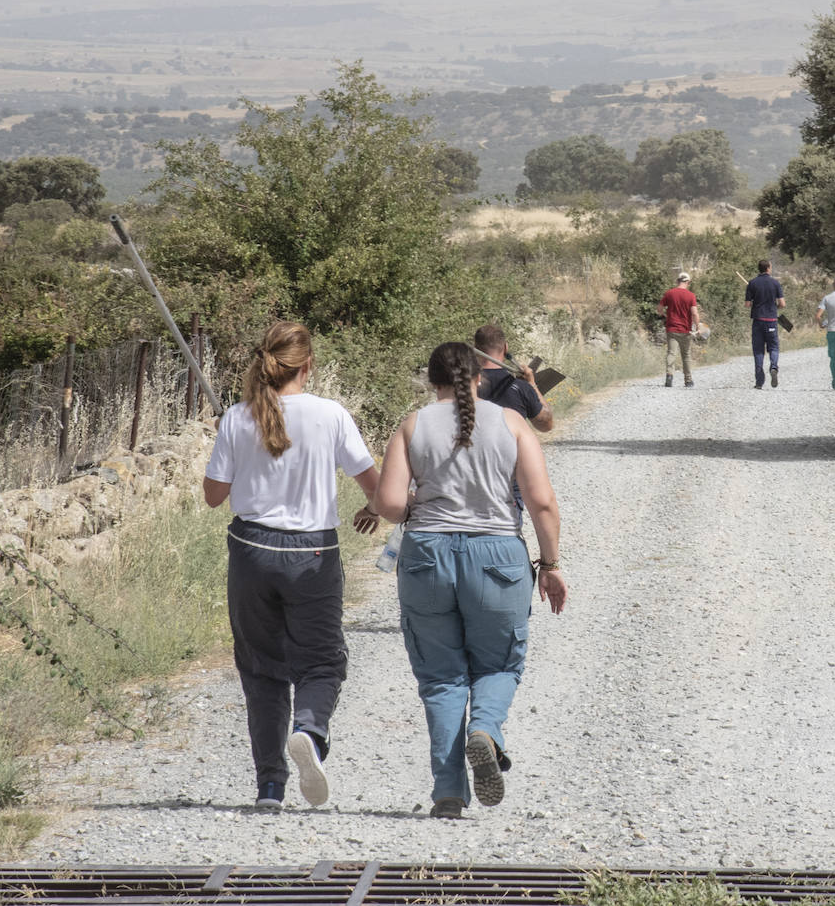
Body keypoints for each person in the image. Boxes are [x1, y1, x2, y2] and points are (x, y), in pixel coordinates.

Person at [377, 342, 568, 820]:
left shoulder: (412, 424)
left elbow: (391, 506)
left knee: (440, 677)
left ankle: (448, 792)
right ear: (480, 377)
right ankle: (485, 730)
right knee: (500, 664)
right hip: (497, 555)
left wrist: (422, 496)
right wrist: (550, 565)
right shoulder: (512, 423)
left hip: (426, 557)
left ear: (430, 379)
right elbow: (541, 502)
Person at [202, 320, 382, 810]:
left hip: (251, 550)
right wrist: (373, 508)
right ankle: (309, 729)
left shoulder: (239, 417)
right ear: (308, 365)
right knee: (322, 660)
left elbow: (214, 496)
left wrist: (231, 441)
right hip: (312, 554)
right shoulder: (331, 415)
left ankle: (270, 788)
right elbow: (376, 488)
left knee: (261, 669)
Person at [474, 324, 554, 433]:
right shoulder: (521, 387)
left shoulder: (462, 385)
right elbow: (546, 425)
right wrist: (532, 384)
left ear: (476, 349)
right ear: (506, 348)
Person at [744, 260, 785, 389]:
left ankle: (759, 381)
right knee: (773, 347)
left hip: (757, 321)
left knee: (758, 350)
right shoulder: (775, 283)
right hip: (771, 320)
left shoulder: (752, 283)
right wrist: (775, 306)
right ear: (768, 268)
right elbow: (782, 304)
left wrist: (755, 301)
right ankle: (773, 367)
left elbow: (747, 304)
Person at [659, 271, 701, 388]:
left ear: (678, 281)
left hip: (671, 328)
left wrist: (664, 317)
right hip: (685, 330)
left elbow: (659, 308)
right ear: (688, 282)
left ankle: (669, 375)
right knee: (686, 355)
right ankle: (688, 380)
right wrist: (698, 327)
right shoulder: (690, 295)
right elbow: (694, 313)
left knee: (671, 353)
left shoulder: (669, 293)